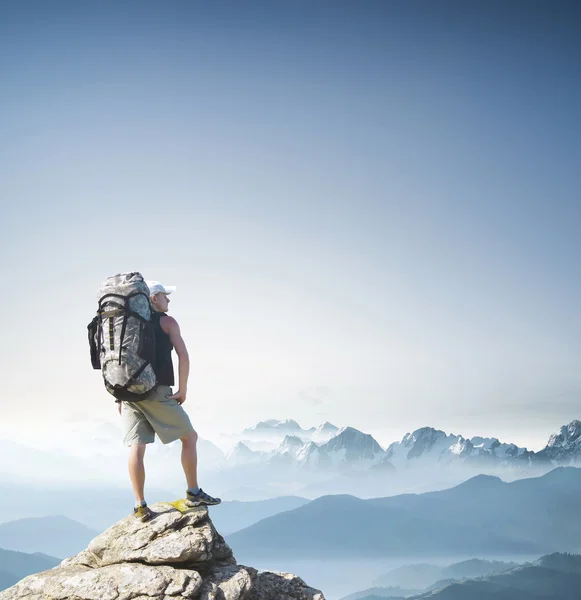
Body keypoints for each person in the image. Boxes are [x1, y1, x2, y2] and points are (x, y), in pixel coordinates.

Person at [118, 280, 221, 521]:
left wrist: (119, 397)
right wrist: (182, 389)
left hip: (128, 393)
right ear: (153, 299)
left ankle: (140, 506)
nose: (169, 300)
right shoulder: (167, 322)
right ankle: (194, 493)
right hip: (156, 390)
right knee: (190, 437)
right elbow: (183, 355)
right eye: (165, 295)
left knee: (137, 446)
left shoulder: (128, 324)